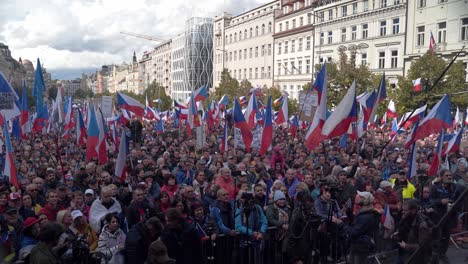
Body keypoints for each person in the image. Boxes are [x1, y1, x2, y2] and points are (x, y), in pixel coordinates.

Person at [332, 191, 380, 264]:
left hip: (360, 247)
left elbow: (354, 232)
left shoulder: (365, 217)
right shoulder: (367, 213)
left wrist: (340, 224)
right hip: (358, 246)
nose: (357, 197)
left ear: (365, 200)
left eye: (360, 197)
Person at [394, 199, 433, 264]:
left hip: (416, 257)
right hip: (404, 251)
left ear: (413, 210)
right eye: (402, 210)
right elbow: (408, 229)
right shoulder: (407, 217)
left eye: (405, 210)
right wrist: (399, 233)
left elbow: (422, 247)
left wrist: (406, 246)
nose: (402, 212)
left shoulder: (422, 225)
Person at [234, 191, 268, 264]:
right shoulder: (239, 210)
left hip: (258, 240)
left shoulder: (257, 208)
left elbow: (264, 221)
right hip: (244, 240)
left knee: (258, 260)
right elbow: (238, 226)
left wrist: (261, 232)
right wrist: (252, 233)